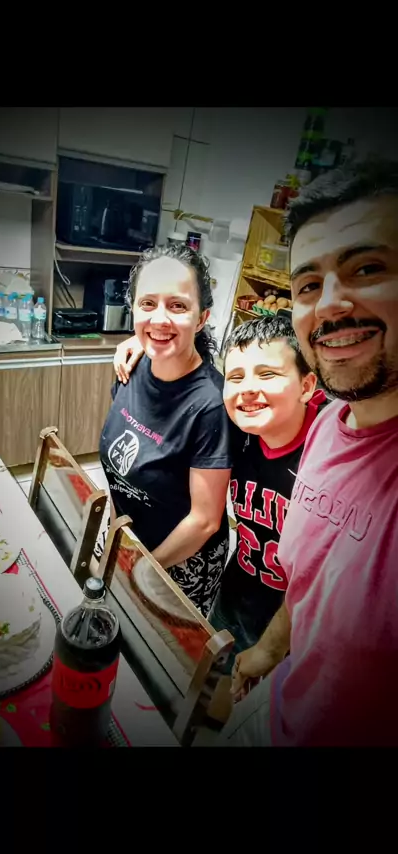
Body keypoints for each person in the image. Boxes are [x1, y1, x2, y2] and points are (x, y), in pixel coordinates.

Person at [218, 156, 398, 746]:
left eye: (367, 267)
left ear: (303, 386)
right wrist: (268, 650)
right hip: (281, 708)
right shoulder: (329, 426)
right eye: (309, 285)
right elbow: (308, 587)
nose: (329, 305)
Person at [113, 314, 328, 686]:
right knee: (210, 685)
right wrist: (146, 346)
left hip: (300, 624)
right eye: (236, 376)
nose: (247, 389)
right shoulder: (237, 429)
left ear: (307, 386)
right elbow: (195, 381)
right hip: (237, 590)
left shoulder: (331, 451)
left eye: (267, 374)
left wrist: (273, 647)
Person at [99, 244, 233, 617]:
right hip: (131, 543)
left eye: (177, 306)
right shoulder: (132, 367)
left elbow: (205, 521)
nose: (160, 319)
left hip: (178, 564)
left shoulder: (211, 405)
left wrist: (143, 569)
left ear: (202, 318)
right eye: (148, 303)